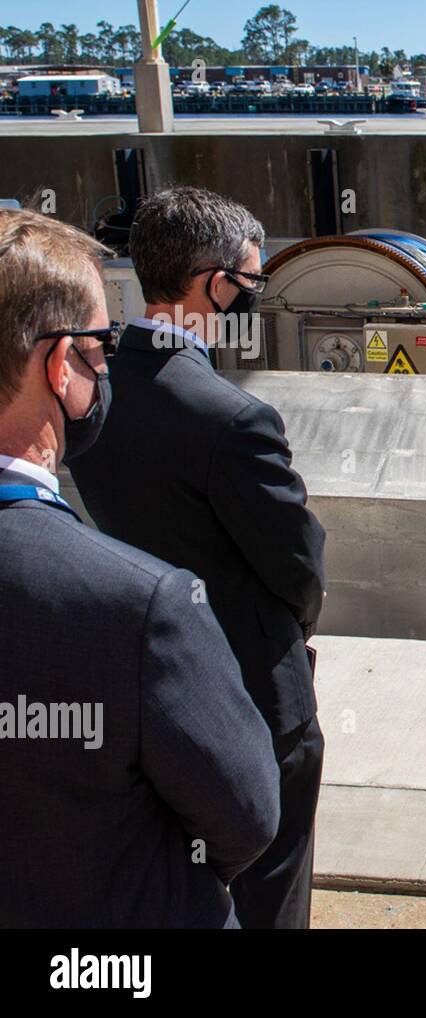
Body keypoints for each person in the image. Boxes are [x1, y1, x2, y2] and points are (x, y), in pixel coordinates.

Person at [0, 208, 280, 928]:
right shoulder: (142, 606)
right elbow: (247, 815)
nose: (107, 364)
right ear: (61, 366)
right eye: (100, 345)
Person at [67, 187, 328, 930]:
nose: (253, 295)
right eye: (249, 281)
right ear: (215, 284)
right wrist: (296, 626)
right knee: (270, 881)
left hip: (143, 689)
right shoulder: (234, 417)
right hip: (251, 689)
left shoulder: (97, 390)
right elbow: (298, 562)